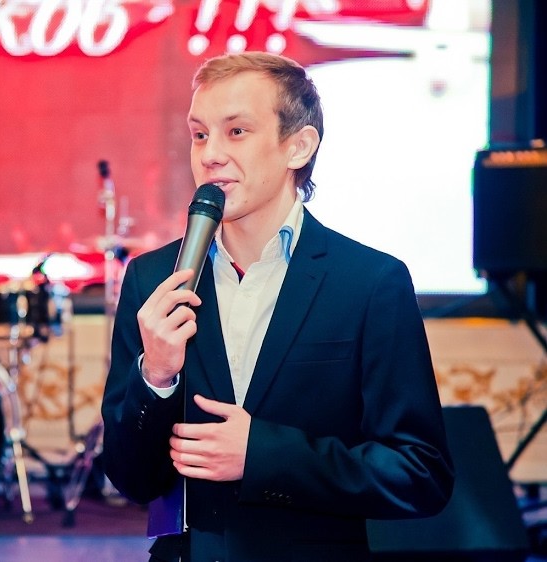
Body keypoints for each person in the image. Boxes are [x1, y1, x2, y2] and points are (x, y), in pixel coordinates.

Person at [101, 51, 454, 562]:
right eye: (199, 134)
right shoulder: (154, 279)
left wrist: (262, 455)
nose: (210, 155)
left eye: (236, 131)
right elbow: (131, 478)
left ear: (298, 146)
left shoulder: (370, 283)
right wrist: (155, 376)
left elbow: (419, 473)